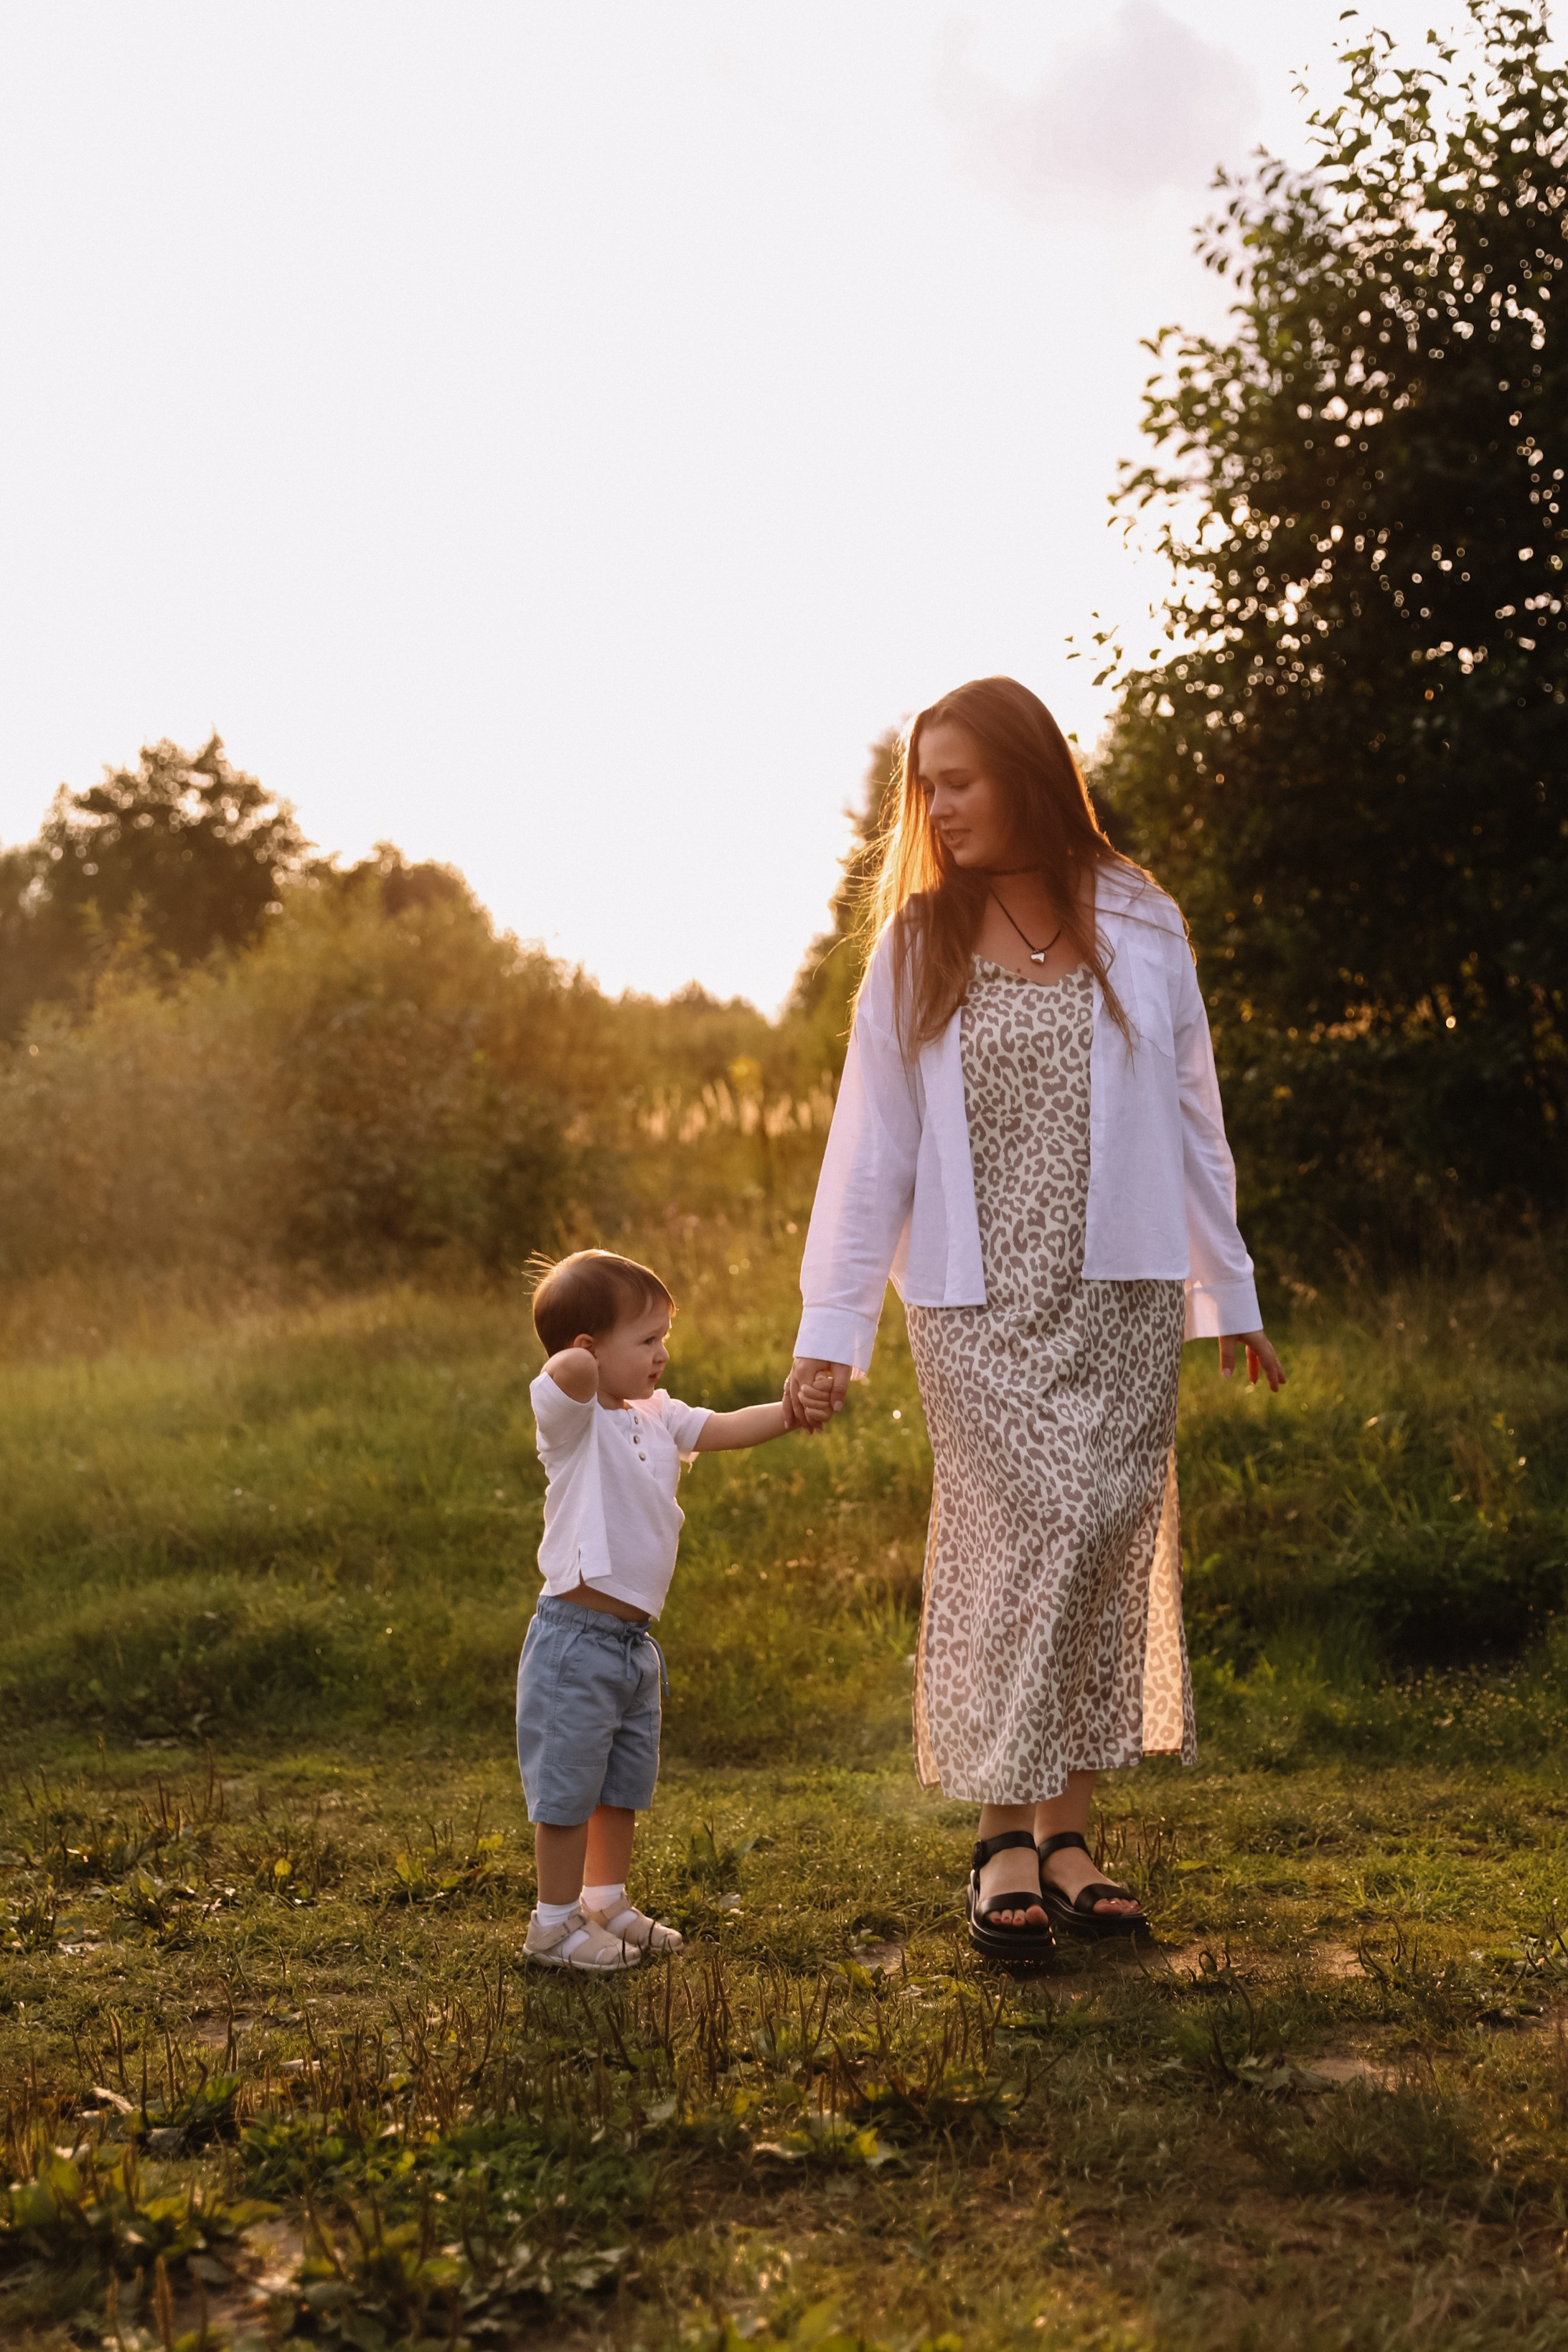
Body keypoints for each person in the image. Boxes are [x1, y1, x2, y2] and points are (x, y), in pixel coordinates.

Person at [782, 676, 1284, 1960]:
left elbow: (1192, 1111)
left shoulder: (1139, 915)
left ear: (1027, 770)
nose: (938, 809)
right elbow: (868, 1149)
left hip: (1119, 1288)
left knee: (1106, 1529)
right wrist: (831, 1328)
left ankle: (1066, 1835)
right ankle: (1002, 1830)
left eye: (959, 779)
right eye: (926, 787)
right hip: (977, 1296)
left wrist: (1226, 1287)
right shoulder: (918, 942)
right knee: (1032, 1526)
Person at [520, 1248, 832, 1972]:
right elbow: (561, 1379)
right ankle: (553, 1925)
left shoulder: (656, 1415)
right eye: (647, 1339)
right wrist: (579, 1359)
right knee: (568, 1789)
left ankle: (605, 1900)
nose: (664, 1353)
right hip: (574, 1641)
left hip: (631, 1644)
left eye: (665, 1336)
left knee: (618, 1787)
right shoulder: (573, 1425)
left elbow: (721, 1426)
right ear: (593, 1351)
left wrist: (789, 1410)